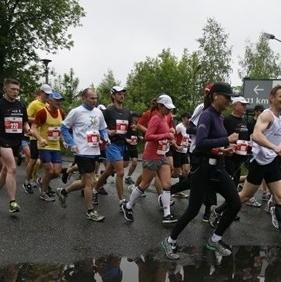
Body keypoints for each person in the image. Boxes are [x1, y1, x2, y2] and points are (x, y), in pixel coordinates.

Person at [159, 83, 241, 260]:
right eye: (227, 97)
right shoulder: (206, 115)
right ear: (215, 96)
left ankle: (215, 240)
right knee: (193, 210)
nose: (229, 100)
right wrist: (226, 139)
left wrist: (223, 150)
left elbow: (212, 144)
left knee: (235, 202)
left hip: (216, 167)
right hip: (202, 169)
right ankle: (170, 240)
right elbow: (201, 143)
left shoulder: (219, 117)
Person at [209, 85, 281, 242]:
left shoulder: (279, 118)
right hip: (260, 162)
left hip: (272, 162)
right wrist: (275, 147)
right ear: (272, 98)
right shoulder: (266, 115)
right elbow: (256, 136)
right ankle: (219, 211)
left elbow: (279, 137)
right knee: (245, 195)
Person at [121, 94, 178, 224]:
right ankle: (128, 206)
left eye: (170, 108)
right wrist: (165, 135)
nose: (170, 110)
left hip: (162, 155)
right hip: (151, 156)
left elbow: (164, 133)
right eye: (167, 108)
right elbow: (148, 136)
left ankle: (167, 214)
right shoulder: (155, 118)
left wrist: (170, 134)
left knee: (167, 184)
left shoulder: (165, 117)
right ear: (160, 106)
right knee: (144, 184)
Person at [55, 87, 109, 222]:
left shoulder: (98, 112)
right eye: (92, 98)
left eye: (96, 98)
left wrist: (105, 137)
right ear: (83, 98)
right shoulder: (76, 112)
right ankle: (90, 211)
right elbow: (64, 128)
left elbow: (102, 128)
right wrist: (72, 144)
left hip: (94, 150)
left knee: (85, 182)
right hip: (82, 151)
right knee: (90, 182)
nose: (94, 101)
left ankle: (63, 192)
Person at [0, 78, 31, 214]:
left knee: (5, 170)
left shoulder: (21, 104)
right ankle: (12, 202)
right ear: (5, 89)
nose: (16, 92)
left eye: (17, 90)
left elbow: (25, 122)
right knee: (12, 168)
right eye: (13, 89)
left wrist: (28, 129)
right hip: (2, 139)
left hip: (16, 140)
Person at [93, 86, 134, 207]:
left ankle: (95, 189)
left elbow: (130, 128)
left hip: (122, 144)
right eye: (119, 94)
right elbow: (98, 126)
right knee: (120, 172)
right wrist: (108, 131)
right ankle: (122, 201)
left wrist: (131, 135)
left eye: (123, 94)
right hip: (111, 144)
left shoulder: (127, 112)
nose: (122, 96)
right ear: (113, 96)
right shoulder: (108, 111)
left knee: (108, 171)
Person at [30, 91, 66, 202]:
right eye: (56, 100)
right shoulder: (42, 112)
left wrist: (63, 141)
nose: (59, 102)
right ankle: (43, 193)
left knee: (57, 172)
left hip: (55, 146)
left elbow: (61, 129)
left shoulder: (61, 113)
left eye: (60, 100)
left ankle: (41, 181)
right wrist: (40, 139)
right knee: (49, 171)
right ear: (49, 101)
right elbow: (34, 128)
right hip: (44, 146)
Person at [24, 84, 51, 194]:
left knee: (46, 162)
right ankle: (27, 181)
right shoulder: (34, 104)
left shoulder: (48, 105)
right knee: (34, 159)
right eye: (46, 94)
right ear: (41, 92)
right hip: (35, 136)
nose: (47, 96)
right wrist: (38, 119)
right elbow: (25, 118)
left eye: (49, 94)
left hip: (46, 137)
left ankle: (42, 182)